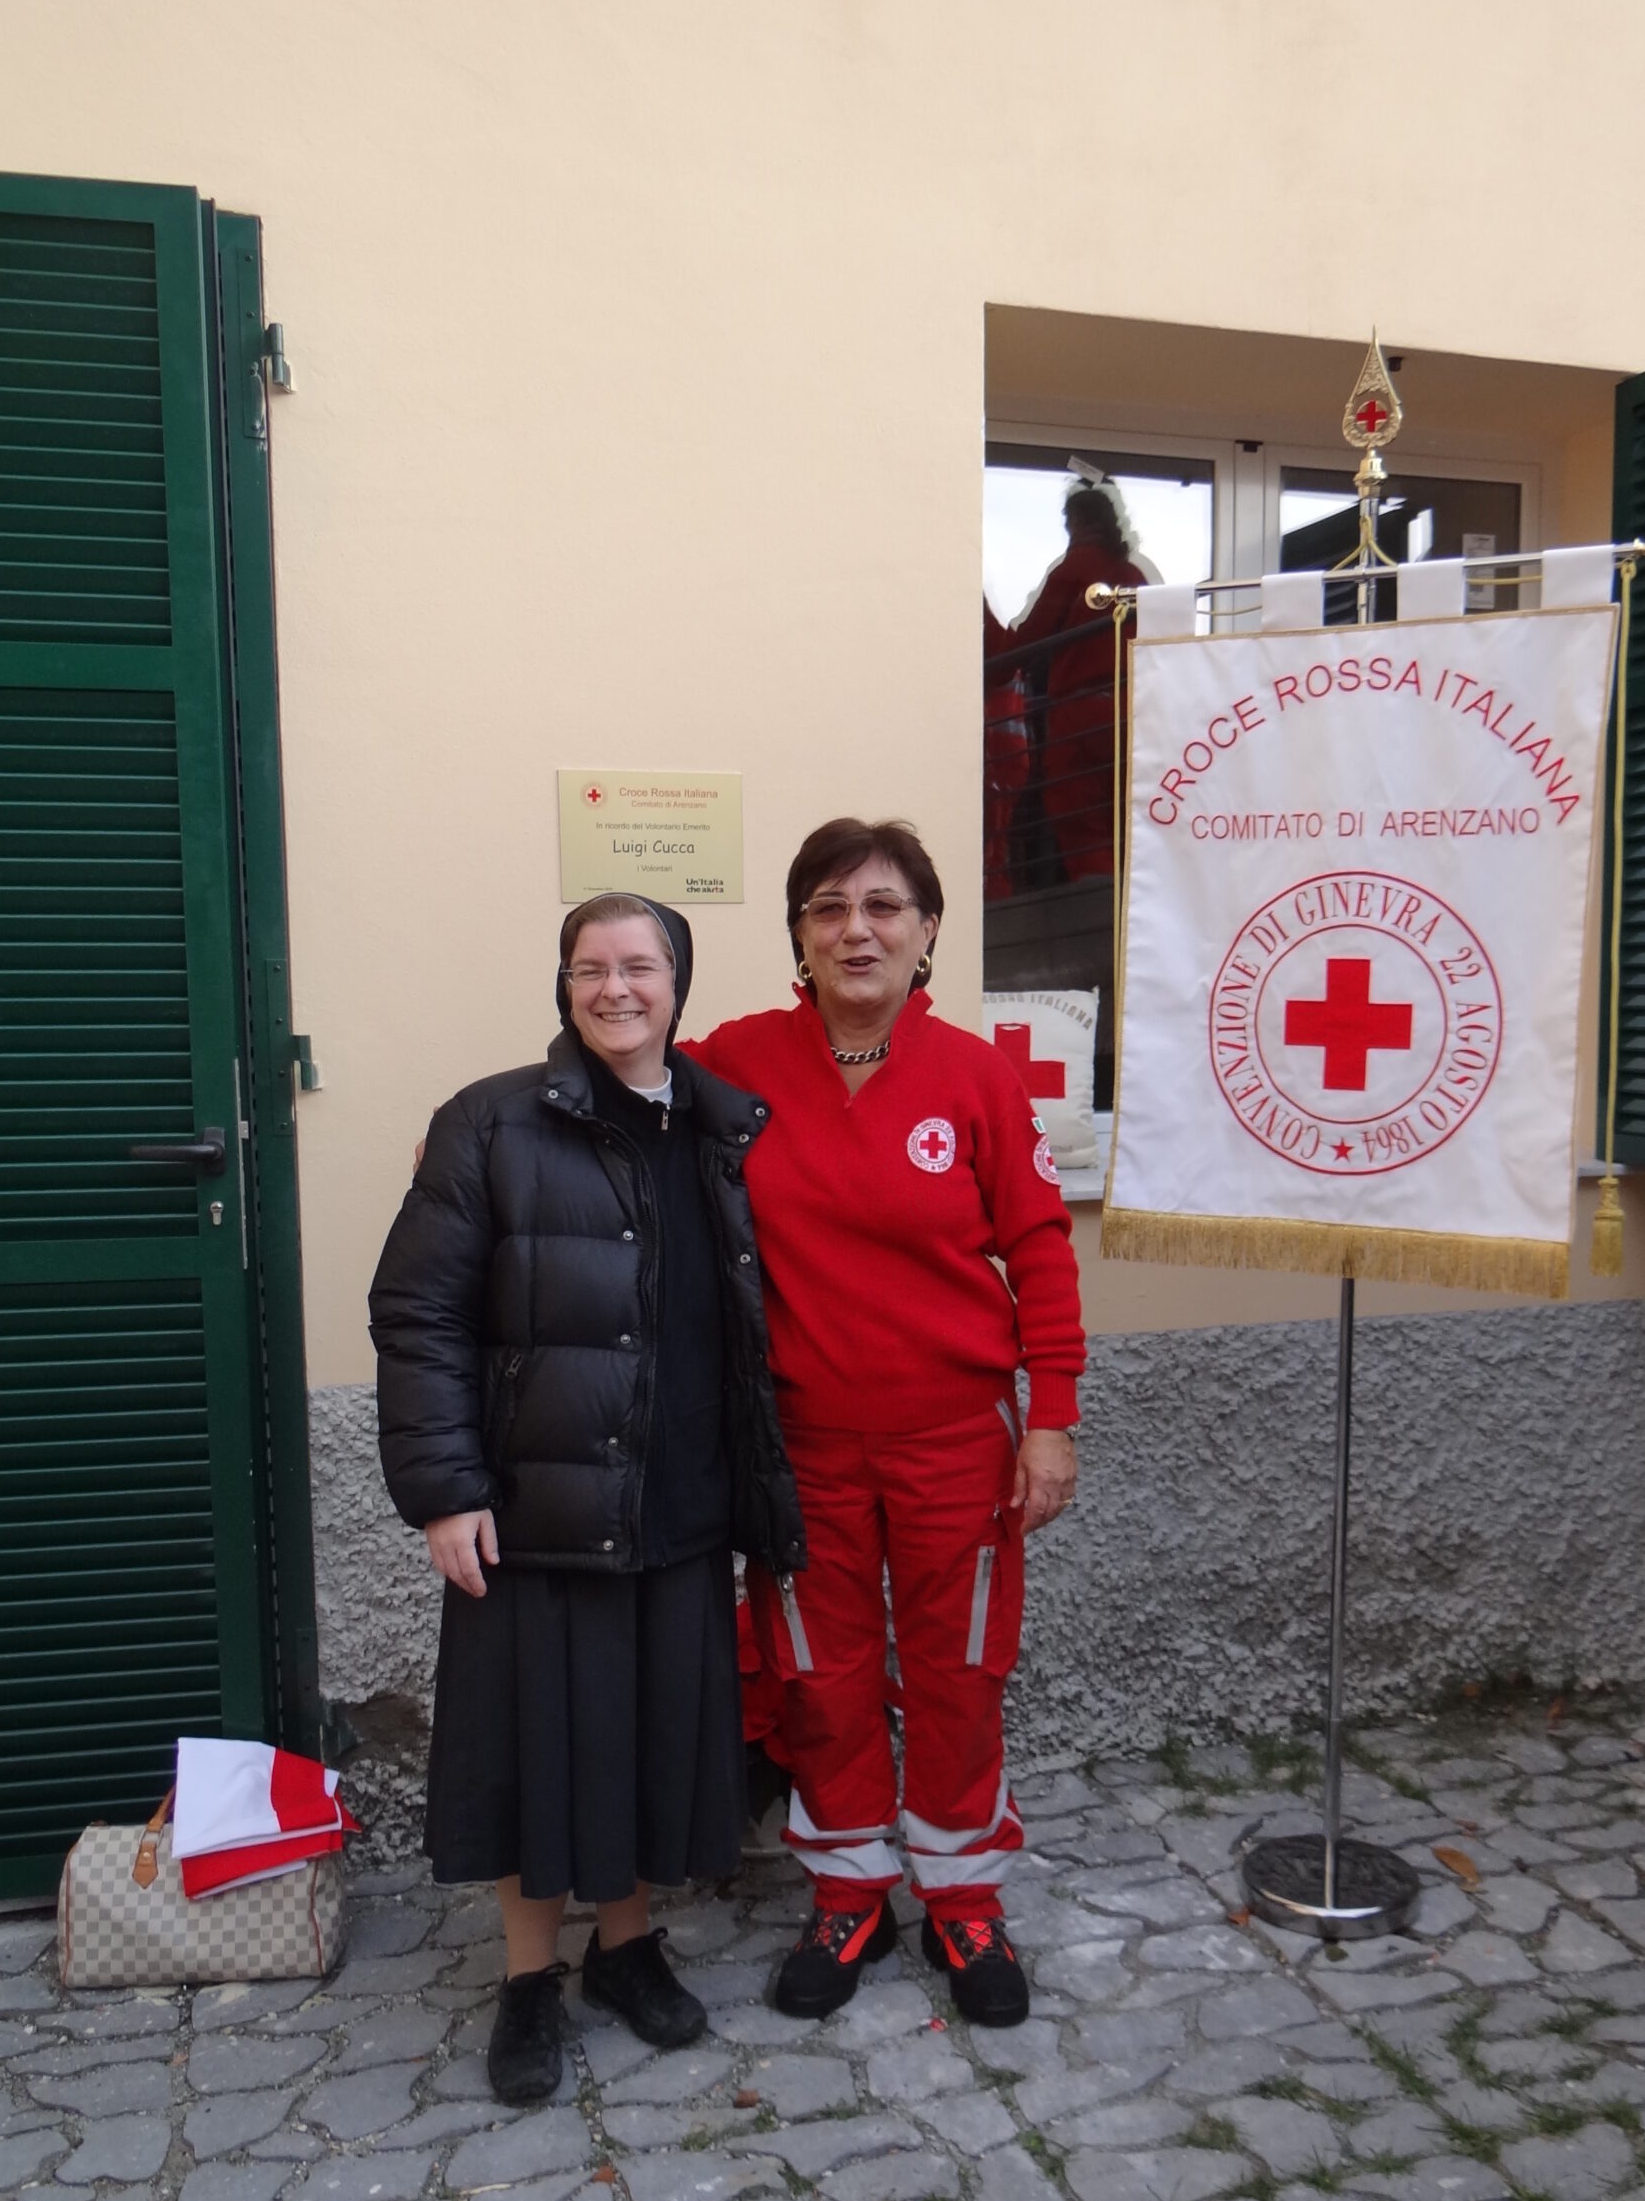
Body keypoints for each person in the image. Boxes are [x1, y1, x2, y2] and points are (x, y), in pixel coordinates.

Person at [369, 895, 804, 2103]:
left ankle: (625, 1947)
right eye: (589, 967)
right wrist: (446, 1491)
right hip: (537, 1504)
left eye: (639, 965)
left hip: (678, 1501)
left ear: (678, 981)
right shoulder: (490, 1121)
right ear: (563, 986)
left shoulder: (719, 1123)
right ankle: (526, 1978)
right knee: (535, 1748)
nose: (615, 987)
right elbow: (418, 1312)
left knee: (644, 1737)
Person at [690, 818, 1085, 2028]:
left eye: (882, 906)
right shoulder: (736, 1063)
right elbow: (617, 1084)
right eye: (827, 906)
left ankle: (963, 1895)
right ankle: (851, 1890)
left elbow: (1040, 1248)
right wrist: (484, 1134)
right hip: (800, 1445)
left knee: (960, 1669)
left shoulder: (976, 1076)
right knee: (821, 1675)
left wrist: (1051, 1418)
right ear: (799, 936)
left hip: (956, 1440)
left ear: (926, 932)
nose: (855, 929)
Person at [1007, 477, 1147, 880]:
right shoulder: (1133, 575)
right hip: (1135, 714)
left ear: (1077, 523)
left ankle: (1098, 909)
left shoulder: (1076, 570)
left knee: (1081, 825)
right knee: (1130, 829)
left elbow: (1028, 641)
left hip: (1082, 717)